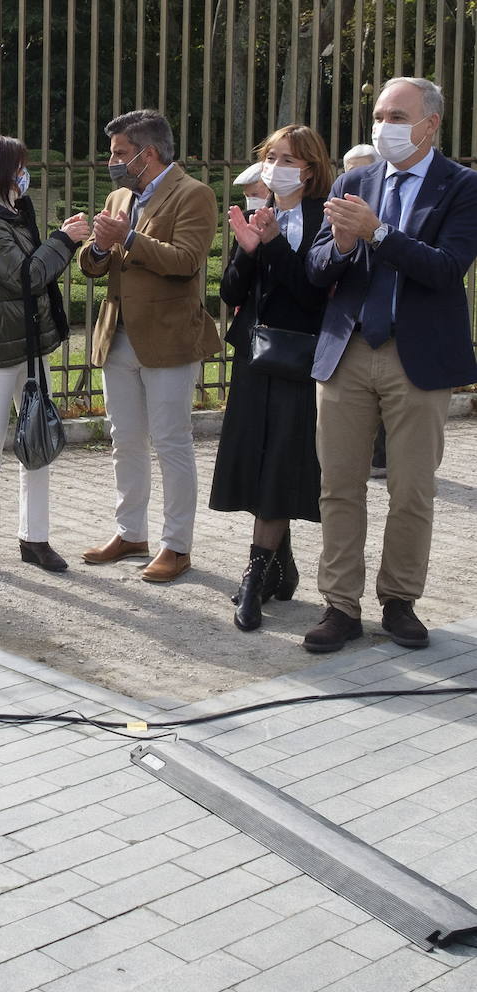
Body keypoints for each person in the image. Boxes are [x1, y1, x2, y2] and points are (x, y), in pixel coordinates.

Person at [303, 76, 477, 652]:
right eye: (378, 115)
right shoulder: (356, 179)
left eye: (396, 117)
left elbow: (448, 268)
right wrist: (345, 246)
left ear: (430, 125)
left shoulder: (462, 187)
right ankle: (340, 605)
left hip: (417, 356)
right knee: (339, 485)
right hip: (348, 349)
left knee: (411, 490)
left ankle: (399, 600)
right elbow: (318, 268)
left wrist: (376, 232)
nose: (383, 127)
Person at [78, 109, 220, 582]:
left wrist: (129, 239)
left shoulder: (193, 194)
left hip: (168, 338)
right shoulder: (121, 195)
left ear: (148, 153)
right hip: (116, 336)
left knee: (171, 443)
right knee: (125, 440)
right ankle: (130, 532)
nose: (112, 162)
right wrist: (98, 247)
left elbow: (186, 261)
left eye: (120, 153)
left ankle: (176, 546)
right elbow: (96, 264)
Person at [210, 125, 334, 631]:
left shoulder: (321, 215)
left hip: (298, 356)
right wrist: (246, 249)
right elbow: (231, 290)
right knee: (258, 456)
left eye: (286, 158)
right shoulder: (257, 209)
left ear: (307, 168)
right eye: (269, 156)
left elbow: (312, 294)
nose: (275, 166)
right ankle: (282, 566)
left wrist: (276, 244)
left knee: (281, 457)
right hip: (253, 355)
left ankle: (255, 578)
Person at [0, 134, 90, 576]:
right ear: (0, 172)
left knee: (37, 440)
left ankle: (35, 538)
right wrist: (64, 240)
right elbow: (24, 275)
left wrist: (52, 237)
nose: (24, 174)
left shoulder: (10, 212)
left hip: (30, 344)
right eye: (19, 166)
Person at [342, 143, 389, 479]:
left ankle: (383, 457)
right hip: (348, 328)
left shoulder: (388, 208)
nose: (353, 177)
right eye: (348, 170)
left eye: (361, 169)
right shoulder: (340, 203)